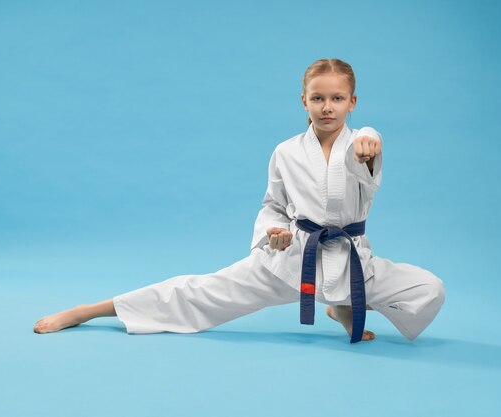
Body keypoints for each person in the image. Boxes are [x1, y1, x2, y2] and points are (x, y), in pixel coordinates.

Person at [33, 58, 445, 343]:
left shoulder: (363, 145)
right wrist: (274, 232)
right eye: (317, 98)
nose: (327, 107)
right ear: (303, 100)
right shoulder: (285, 151)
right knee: (197, 293)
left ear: (352, 103)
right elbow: (274, 205)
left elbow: (367, 169)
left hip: (351, 261)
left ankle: (340, 305)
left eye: (337, 99)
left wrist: (371, 137)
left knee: (429, 289)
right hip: (291, 262)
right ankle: (91, 310)